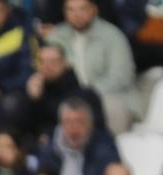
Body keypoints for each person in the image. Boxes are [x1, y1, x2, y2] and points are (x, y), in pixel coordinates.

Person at [48, 0, 138, 133]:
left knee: (112, 108)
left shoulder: (112, 35)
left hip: (107, 95)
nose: (76, 15)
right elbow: (46, 67)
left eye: (82, 9)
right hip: (67, 96)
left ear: (94, 10)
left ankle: (110, 149)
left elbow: (121, 77)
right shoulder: (56, 36)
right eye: (70, 10)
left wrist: (87, 93)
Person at [11, 42, 104, 145]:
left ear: (64, 63)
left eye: (53, 61)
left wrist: (50, 136)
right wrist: (32, 100)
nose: (47, 66)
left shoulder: (85, 95)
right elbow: (22, 130)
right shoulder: (31, 92)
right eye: (43, 62)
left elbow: (97, 131)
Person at [35, 97, 119, 175]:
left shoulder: (104, 149)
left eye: (79, 122)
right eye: (68, 122)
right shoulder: (50, 151)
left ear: (90, 125)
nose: (73, 129)